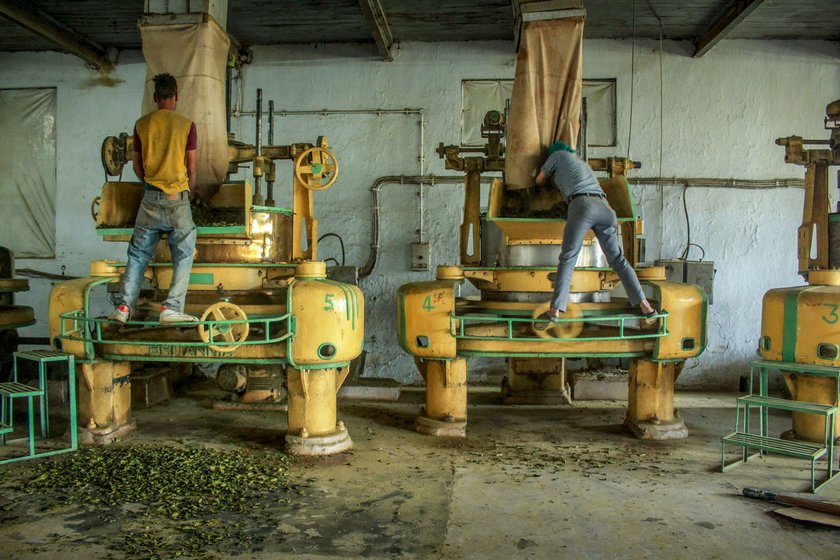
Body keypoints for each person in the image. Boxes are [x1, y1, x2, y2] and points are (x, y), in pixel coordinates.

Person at [533, 140, 656, 330]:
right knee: (618, 260)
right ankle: (645, 306)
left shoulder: (555, 157)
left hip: (582, 205)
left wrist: (544, 173)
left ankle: (555, 310)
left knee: (568, 258)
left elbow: (538, 180)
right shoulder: (582, 164)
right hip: (606, 209)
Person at [109, 73, 199, 325]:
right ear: (176, 97)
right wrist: (188, 192)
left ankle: (124, 308)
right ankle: (171, 308)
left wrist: (151, 184)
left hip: (148, 199)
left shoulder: (142, 124)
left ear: (155, 97)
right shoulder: (187, 125)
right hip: (177, 199)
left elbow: (137, 167)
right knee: (183, 254)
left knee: (138, 256)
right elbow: (192, 168)